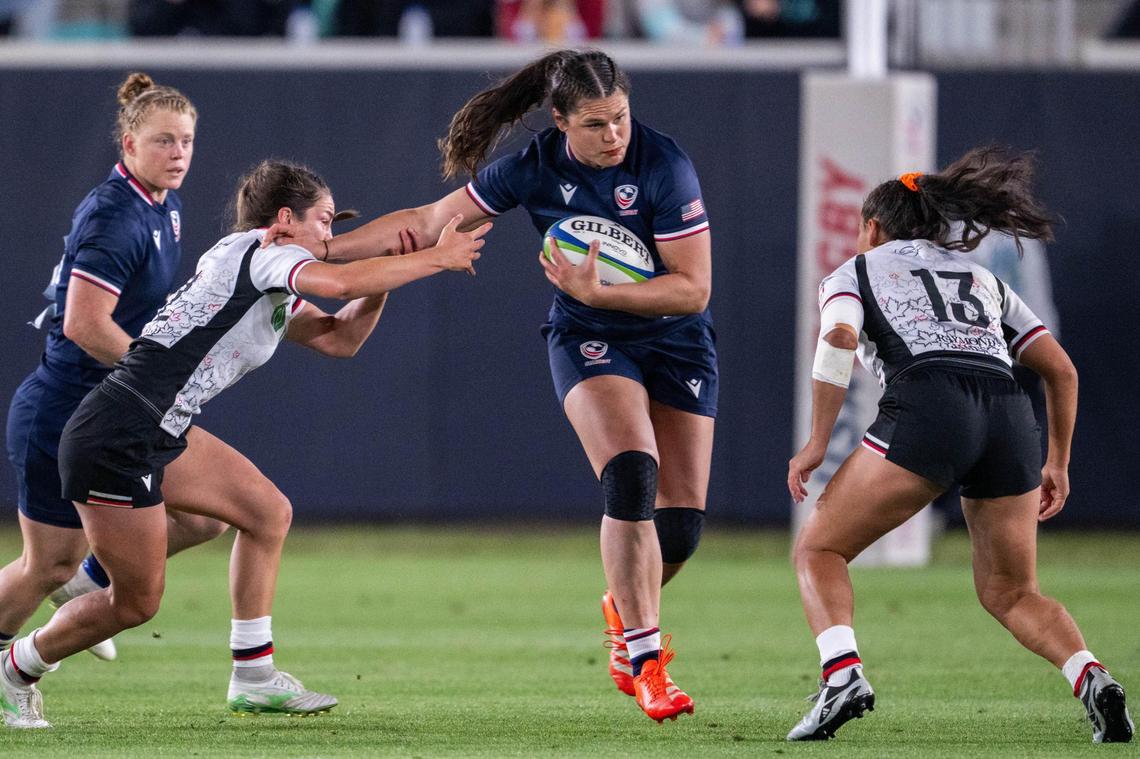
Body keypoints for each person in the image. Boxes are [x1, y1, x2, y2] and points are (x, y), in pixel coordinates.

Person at [265, 49, 713, 723]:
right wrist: (321, 252)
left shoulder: (664, 165)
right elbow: (425, 223)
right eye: (595, 124)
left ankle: (623, 602)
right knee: (630, 474)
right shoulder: (534, 169)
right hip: (591, 338)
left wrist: (603, 286)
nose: (614, 135)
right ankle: (648, 663)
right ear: (559, 120)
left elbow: (694, 287)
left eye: (620, 117)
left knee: (678, 528)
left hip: (676, 339)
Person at [0, 160, 489, 729]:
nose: (330, 238)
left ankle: (253, 677)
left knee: (263, 512)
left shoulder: (260, 266)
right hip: (119, 434)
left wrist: (387, 275)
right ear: (285, 219)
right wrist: (430, 257)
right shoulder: (266, 252)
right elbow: (337, 283)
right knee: (136, 605)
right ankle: (15, 666)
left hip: (156, 424)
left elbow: (340, 338)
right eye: (325, 221)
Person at [785, 147, 1134, 743]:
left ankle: (842, 675)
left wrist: (817, 442)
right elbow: (1062, 371)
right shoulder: (984, 278)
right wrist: (1058, 460)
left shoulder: (855, 271)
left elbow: (839, 336)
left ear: (872, 227)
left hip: (930, 405)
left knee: (819, 549)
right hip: (1008, 415)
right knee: (1012, 591)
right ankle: (1091, 675)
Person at [2, 72, 228, 666]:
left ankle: (89, 581)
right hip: (67, 407)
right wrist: (152, 374)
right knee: (45, 564)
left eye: (186, 141)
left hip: (116, 409)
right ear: (128, 145)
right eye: (162, 141)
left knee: (208, 513)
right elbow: (84, 324)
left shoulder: (164, 205)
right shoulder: (116, 215)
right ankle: (45, 625)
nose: (178, 153)